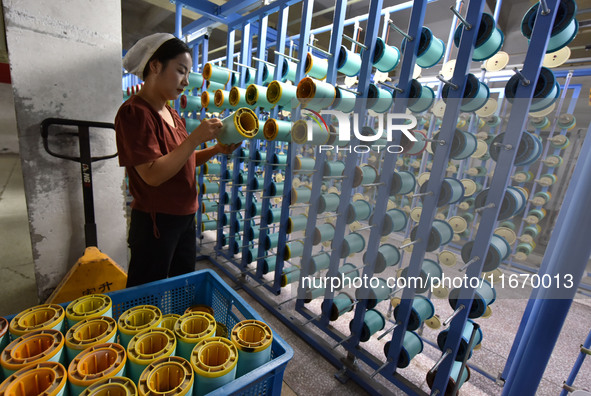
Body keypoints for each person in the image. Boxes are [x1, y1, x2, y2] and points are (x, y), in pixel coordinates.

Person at [115, 33, 240, 287]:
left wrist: (216, 149)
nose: (186, 81)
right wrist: (194, 138)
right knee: (147, 294)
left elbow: (183, 159)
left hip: (184, 218)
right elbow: (152, 174)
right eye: (181, 71)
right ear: (155, 66)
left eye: (188, 73)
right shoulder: (135, 113)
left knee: (182, 285)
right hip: (157, 223)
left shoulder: (171, 113)